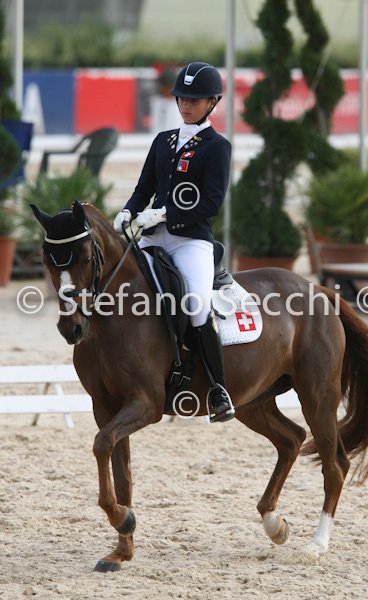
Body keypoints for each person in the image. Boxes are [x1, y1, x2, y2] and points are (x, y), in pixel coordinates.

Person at [113, 62, 235, 423]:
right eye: (182, 98)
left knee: (196, 305)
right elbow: (144, 188)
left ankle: (218, 389)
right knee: (121, 291)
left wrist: (166, 214)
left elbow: (211, 204)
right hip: (152, 238)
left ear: (212, 102)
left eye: (194, 100)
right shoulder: (163, 140)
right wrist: (128, 210)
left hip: (190, 241)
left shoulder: (217, 147)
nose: (186, 104)